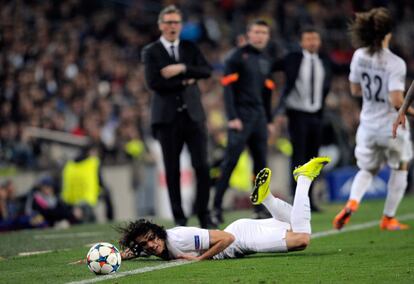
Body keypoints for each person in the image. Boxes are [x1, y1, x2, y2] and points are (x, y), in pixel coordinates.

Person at [117, 157, 330, 261]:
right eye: (145, 244)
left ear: (158, 231)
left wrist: (200, 259)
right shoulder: (155, 247)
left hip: (242, 239)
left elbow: (226, 238)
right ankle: (268, 199)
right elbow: (143, 249)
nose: (151, 245)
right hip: (241, 234)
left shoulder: (179, 237)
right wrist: (123, 256)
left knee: (302, 238)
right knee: (295, 223)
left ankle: (304, 178)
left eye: (152, 238)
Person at [333, 8, 411, 231]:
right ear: (389, 33)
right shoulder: (395, 63)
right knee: (401, 166)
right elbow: (397, 101)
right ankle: (388, 218)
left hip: (367, 125)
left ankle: (352, 203)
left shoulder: (359, 55)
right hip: (390, 127)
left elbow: (355, 89)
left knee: (367, 169)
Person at [141, 5, 215, 228]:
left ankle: (203, 214)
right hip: (166, 119)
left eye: (176, 22)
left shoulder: (190, 47)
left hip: (193, 116)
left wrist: (181, 68)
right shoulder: (151, 51)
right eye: (168, 22)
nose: (172, 26)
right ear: (160, 25)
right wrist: (186, 79)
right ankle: (179, 218)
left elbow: (207, 70)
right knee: (172, 169)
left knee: (202, 166)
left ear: (181, 25)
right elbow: (154, 83)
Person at [213, 19, 277, 223]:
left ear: (268, 36)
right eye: (256, 32)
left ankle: (259, 208)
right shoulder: (236, 56)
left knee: (261, 166)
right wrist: (232, 117)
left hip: (259, 117)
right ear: (248, 34)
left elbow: (267, 93)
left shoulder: (266, 60)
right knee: (230, 163)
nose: (260, 36)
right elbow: (227, 88)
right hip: (241, 116)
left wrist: (269, 120)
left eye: (263, 33)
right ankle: (215, 208)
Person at [273, 26, 333, 212]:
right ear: (301, 42)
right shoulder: (293, 58)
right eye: (308, 39)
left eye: (315, 39)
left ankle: (310, 199)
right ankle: (297, 198)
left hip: (316, 113)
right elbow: (271, 64)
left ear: (319, 41)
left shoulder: (324, 60)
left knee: (313, 158)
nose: (312, 42)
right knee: (298, 156)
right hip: (297, 113)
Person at [61, 144, 113, 223]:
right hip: (88, 198)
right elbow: (100, 181)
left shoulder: (69, 165)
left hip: (71, 200)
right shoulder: (93, 162)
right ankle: (110, 220)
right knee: (107, 192)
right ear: (89, 152)